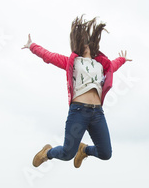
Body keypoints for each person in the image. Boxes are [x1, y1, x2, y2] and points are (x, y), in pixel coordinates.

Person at [22, 15, 132, 168]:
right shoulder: (72, 62)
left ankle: (84, 150)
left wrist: (122, 60)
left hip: (97, 113)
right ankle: (47, 153)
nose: (88, 44)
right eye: (85, 42)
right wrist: (32, 46)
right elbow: (50, 57)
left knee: (106, 153)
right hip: (78, 111)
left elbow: (113, 65)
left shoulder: (101, 65)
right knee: (67, 154)